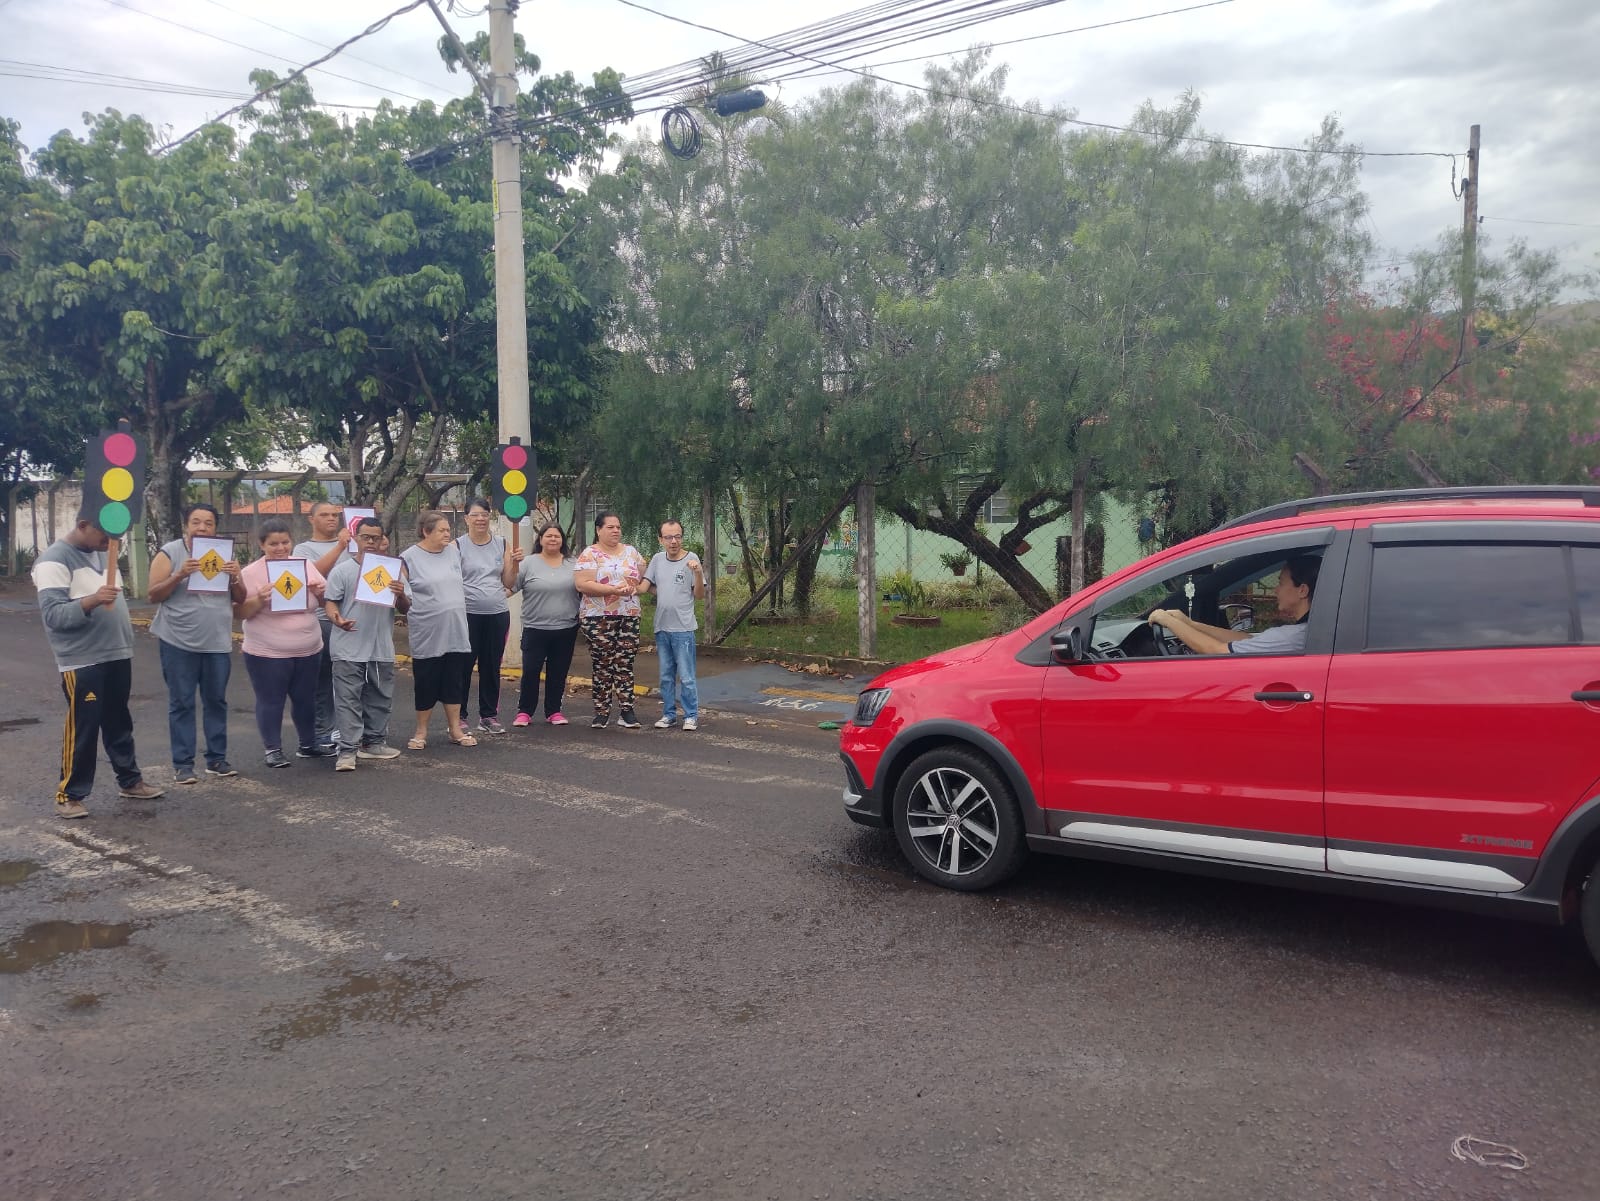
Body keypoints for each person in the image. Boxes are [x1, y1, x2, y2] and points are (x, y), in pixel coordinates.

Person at [33, 518, 165, 818]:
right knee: (84, 726)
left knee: (119, 721)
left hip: (116, 652)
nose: (112, 541)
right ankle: (69, 795)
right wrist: (92, 600)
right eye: (105, 535)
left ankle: (130, 781)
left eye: (116, 535)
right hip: (82, 658)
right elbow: (53, 616)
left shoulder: (104, 551)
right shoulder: (53, 560)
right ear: (83, 525)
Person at [147, 503, 244, 783]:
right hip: (178, 641)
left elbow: (240, 597)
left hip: (217, 642)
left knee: (216, 701)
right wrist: (180, 574)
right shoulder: (170, 552)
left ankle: (217, 759)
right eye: (196, 522)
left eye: (209, 523)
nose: (202, 528)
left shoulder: (225, 553)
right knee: (182, 702)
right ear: (186, 526)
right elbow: (153, 595)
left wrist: (235, 576)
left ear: (215, 528)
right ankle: (183, 764)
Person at [236, 518, 332, 768]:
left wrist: (320, 593)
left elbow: (325, 603)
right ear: (262, 545)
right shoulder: (251, 573)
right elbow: (239, 612)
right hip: (267, 652)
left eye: (285, 542)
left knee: (306, 699)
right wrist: (259, 599)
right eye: (273, 544)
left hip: (309, 648)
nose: (280, 548)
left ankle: (308, 744)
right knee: (271, 700)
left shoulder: (304, 566)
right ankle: (273, 749)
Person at [323, 516, 412, 771]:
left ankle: (374, 743)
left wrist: (400, 594)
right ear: (355, 538)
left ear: (383, 539)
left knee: (380, 697)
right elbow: (330, 602)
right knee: (347, 699)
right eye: (366, 537)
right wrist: (337, 619)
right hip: (347, 646)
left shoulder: (393, 571)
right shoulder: (342, 571)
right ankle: (347, 750)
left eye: (376, 537)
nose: (371, 542)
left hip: (380, 647)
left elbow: (406, 608)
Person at [399, 512, 478, 750]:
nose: (447, 534)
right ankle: (421, 732)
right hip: (427, 631)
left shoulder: (454, 553)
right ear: (426, 531)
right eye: (442, 530)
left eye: (448, 529)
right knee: (426, 682)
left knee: (454, 681)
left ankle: (455, 729)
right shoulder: (408, 558)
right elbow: (403, 597)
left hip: (455, 629)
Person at [1149, 555, 1319, 656]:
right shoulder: (1305, 633)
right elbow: (1249, 641)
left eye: (1281, 583)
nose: (1276, 590)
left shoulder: (1291, 637)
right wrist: (1190, 624)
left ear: (1302, 590)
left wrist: (1168, 621)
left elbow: (1216, 650)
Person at [574, 512, 647, 730]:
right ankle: (601, 711)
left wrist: (636, 588)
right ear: (598, 530)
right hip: (598, 616)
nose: (616, 530)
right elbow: (582, 584)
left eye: (618, 527)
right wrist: (612, 590)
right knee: (603, 663)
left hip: (628, 614)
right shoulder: (590, 554)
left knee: (625, 662)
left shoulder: (631, 552)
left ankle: (627, 710)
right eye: (610, 527)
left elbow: (644, 577)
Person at [510, 522, 581, 727]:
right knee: (531, 671)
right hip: (535, 628)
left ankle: (554, 711)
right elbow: (510, 587)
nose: (553, 539)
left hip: (566, 628)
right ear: (540, 539)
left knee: (558, 672)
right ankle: (525, 712)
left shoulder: (574, 564)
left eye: (557, 536)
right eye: (548, 536)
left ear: (562, 540)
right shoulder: (527, 563)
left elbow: (584, 588)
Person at [457, 497, 517, 735]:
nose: (480, 519)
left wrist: (515, 564)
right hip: (467, 615)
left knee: (491, 667)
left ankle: (488, 716)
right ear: (466, 519)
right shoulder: (456, 546)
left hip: (497, 614)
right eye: (475, 515)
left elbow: (509, 582)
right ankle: (459, 716)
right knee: (463, 666)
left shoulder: (502, 544)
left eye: (484, 514)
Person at [294, 500, 349, 751]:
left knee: (351, 681)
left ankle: (348, 732)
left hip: (351, 619)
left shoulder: (351, 544)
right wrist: (340, 546)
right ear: (311, 519)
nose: (331, 519)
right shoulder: (303, 549)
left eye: (335, 515)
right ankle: (320, 734)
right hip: (322, 621)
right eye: (325, 515)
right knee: (322, 681)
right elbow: (311, 575)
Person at [640, 519, 705, 731]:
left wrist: (698, 572)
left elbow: (699, 595)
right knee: (666, 676)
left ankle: (691, 715)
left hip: (683, 629)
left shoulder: (692, 559)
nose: (673, 541)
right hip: (662, 627)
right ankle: (669, 714)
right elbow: (646, 587)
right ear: (661, 540)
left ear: (682, 537)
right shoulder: (657, 559)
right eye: (668, 537)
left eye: (677, 536)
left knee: (686, 676)